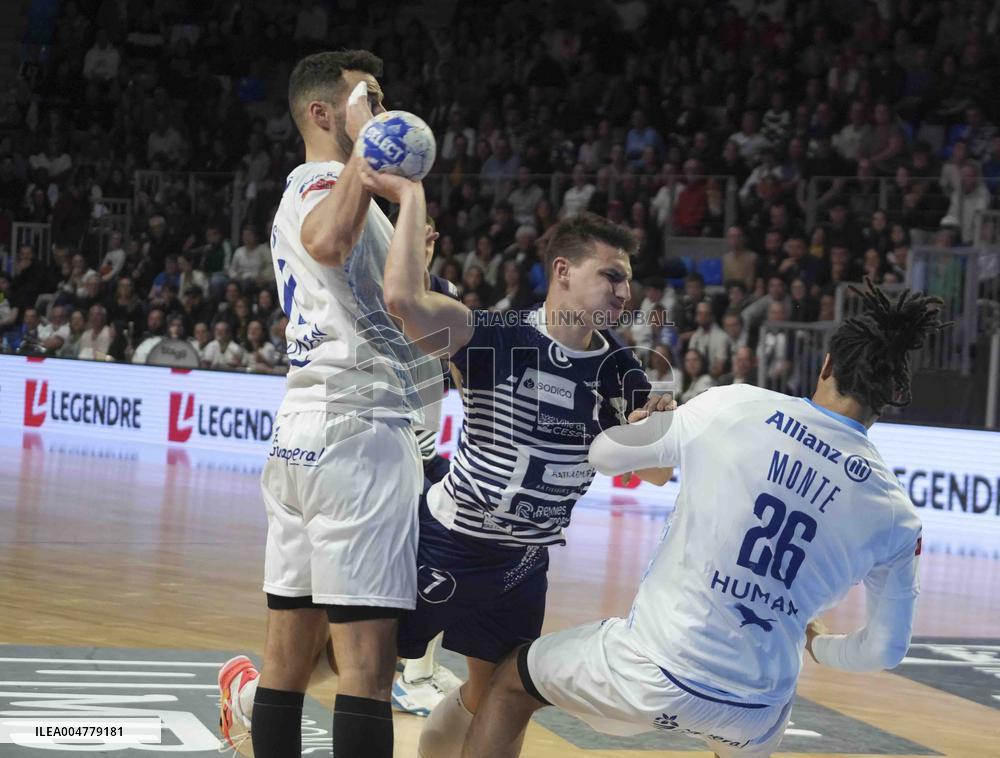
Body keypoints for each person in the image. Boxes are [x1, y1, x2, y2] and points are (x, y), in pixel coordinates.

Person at [461, 280, 946, 758]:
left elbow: (606, 455)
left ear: (826, 365)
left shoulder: (734, 405)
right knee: (750, 737)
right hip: (755, 708)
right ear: (890, 395)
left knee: (510, 683)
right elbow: (885, 651)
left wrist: (636, 425)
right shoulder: (897, 517)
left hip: (650, 669)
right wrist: (819, 647)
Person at [215, 50, 435, 758]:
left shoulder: (344, 191)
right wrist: (374, 147)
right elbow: (326, 241)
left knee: (287, 664)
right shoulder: (320, 183)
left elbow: (392, 306)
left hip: (306, 431)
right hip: (357, 435)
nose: (380, 108)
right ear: (322, 113)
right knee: (366, 673)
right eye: (364, 97)